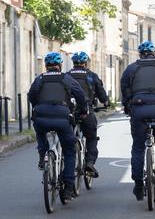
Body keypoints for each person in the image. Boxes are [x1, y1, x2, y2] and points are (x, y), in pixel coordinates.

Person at [28, 52, 88, 202]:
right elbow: (80, 94)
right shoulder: (66, 78)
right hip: (62, 117)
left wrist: (38, 106)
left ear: (46, 66)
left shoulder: (40, 79)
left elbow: (31, 95)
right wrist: (83, 109)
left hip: (41, 117)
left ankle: (43, 156)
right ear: (60, 65)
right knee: (69, 151)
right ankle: (68, 188)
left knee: (40, 132)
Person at [121, 42, 155, 201]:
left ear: (140, 54)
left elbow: (124, 87)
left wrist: (127, 105)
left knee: (138, 147)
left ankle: (138, 184)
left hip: (138, 109)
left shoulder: (132, 68)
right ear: (154, 53)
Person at [67, 51, 110, 178]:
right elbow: (101, 94)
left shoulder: (67, 75)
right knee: (91, 136)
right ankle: (90, 162)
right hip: (86, 111)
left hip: (69, 111)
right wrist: (106, 102)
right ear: (85, 63)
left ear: (73, 63)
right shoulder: (92, 76)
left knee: (67, 136)